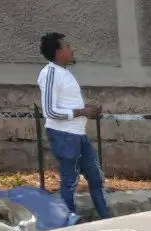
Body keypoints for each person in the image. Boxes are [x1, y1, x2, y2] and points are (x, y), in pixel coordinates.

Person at [38, 32, 111, 220]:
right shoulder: (50, 73)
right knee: (70, 182)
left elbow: (67, 105)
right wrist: (83, 111)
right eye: (68, 47)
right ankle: (68, 222)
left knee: (95, 177)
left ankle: (107, 218)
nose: (72, 50)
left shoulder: (64, 73)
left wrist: (87, 109)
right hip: (64, 136)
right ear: (58, 52)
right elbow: (50, 111)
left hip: (78, 135)